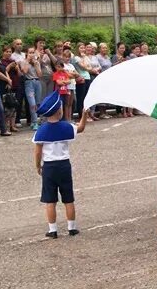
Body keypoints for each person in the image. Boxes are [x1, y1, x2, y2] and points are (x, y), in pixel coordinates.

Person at [33, 92, 88, 239]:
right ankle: (72, 227)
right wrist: (85, 114)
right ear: (59, 111)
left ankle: (53, 229)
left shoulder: (41, 130)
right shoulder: (66, 127)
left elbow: (38, 151)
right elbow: (81, 127)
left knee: (50, 200)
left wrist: (38, 166)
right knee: (68, 198)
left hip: (49, 167)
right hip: (64, 165)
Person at [19, 46, 43, 130]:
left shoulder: (37, 62)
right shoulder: (23, 62)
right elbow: (24, 72)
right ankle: (35, 122)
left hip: (37, 82)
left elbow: (40, 75)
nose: (32, 54)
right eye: (30, 53)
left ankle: (34, 121)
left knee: (38, 103)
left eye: (33, 53)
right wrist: (28, 62)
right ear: (26, 53)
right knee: (32, 103)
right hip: (29, 83)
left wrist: (36, 64)